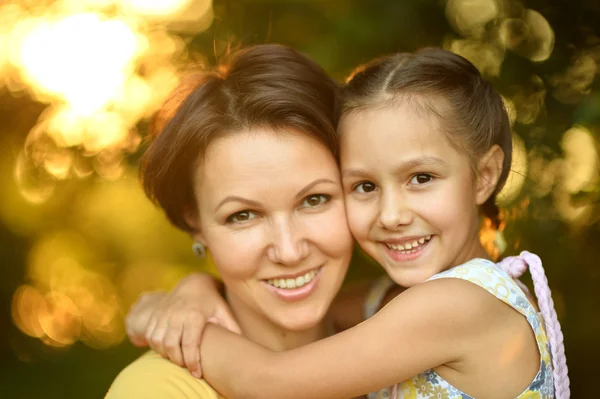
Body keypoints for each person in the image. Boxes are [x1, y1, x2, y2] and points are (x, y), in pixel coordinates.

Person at [127, 48, 569, 399]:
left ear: (485, 176)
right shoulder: (396, 300)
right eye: (364, 186)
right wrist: (192, 291)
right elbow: (296, 318)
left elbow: (268, 381)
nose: (392, 215)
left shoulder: (460, 305)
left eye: (422, 178)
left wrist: (174, 332)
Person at [105, 43, 357, 398]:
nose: (288, 251)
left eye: (315, 200)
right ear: (196, 223)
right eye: (243, 215)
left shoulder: (408, 340)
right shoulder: (156, 390)